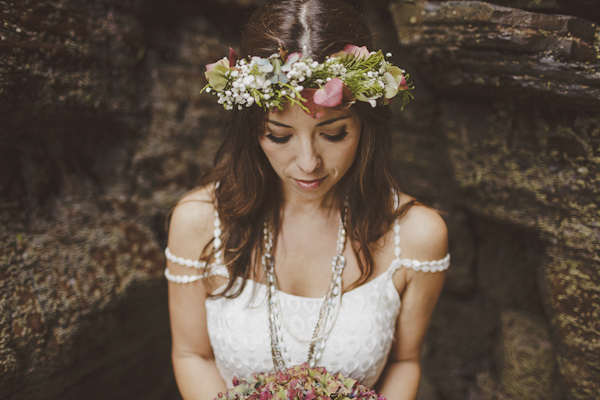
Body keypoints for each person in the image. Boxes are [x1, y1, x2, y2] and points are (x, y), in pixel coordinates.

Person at [164, 1, 449, 399]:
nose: (308, 163)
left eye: (333, 135)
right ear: (251, 130)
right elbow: (192, 354)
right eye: (279, 136)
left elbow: (405, 362)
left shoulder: (417, 235)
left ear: (366, 126)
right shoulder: (198, 221)